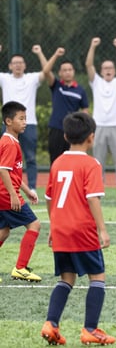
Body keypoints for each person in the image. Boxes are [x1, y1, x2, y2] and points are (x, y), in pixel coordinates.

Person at [41, 112, 116, 346]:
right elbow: (93, 198)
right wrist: (102, 230)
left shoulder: (57, 163)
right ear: (91, 138)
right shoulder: (91, 163)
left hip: (61, 229)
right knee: (97, 277)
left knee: (67, 278)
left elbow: (49, 198)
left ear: (65, 136)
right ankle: (90, 329)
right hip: (82, 230)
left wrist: (53, 226)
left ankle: (51, 324)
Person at [0, 101, 41, 283]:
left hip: (4, 193)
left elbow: (13, 173)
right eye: (21, 118)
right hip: (5, 194)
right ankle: (20, 268)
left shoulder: (10, 141)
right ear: (9, 121)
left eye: (26, 118)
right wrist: (14, 194)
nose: (25, 122)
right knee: (34, 225)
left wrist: (27, 190)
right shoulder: (9, 143)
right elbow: (2, 170)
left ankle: (21, 267)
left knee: (3, 232)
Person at [86, 37, 116, 199]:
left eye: (111, 67)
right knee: (98, 161)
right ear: (101, 70)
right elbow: (88, 65)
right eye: (105, 68)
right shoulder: (96, 82)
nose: (108, 70)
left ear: (114, 69)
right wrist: (92, 45)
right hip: (99, 126)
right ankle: (98, 190)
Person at [0, 45, 48, 191]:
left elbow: (46, 72)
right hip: (8, 125)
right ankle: (5, 188)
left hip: (29, 124)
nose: (18, 65)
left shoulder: (31, 78)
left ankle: (32, 187)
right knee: (5, 158)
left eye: (20, 62)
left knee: (30, 158)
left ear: (25, 65)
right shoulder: (5, 79)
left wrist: (40, 53)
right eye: (15, 63)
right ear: (10, 66)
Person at [43, 47, 89, 164]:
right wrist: (56, 55)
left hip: (72, 131)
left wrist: (84, 129)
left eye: (70, 69)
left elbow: (85, 111)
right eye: (64, 70)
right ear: (60, 73)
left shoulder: (80, 90)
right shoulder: (56, 85)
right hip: (56, 129)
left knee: (72, 162)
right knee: (55, 161)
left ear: (73, 71)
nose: (67, 72)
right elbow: (46, 71)